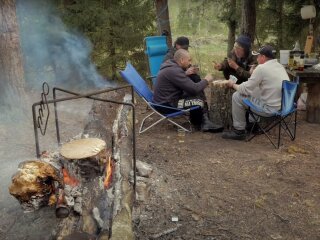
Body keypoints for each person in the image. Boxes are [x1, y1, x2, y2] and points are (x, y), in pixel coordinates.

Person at [222, 45, 290, 140]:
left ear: (263, 57)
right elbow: (256, 85)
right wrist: (253, 75)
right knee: (255, 90)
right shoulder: (280, 66)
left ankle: (239, 131)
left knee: (237, 96)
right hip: (283, 107)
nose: (257, 59)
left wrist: (232, 85)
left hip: (269, 110)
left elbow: (244, 89)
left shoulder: (262, 68)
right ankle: (253, 126)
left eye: (258, 56)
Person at [153, 49, 224, 132]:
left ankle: (203, 122)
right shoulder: (174, 70)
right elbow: (194, 89)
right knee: (199, 100)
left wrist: (185, 73)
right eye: (189, 60)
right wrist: (206, 80)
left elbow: (181, 82)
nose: (190, 63)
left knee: (195, 87)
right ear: (182, 60)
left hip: (166, 100)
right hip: (166, 105)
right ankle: (201, 123)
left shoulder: (171, 67)